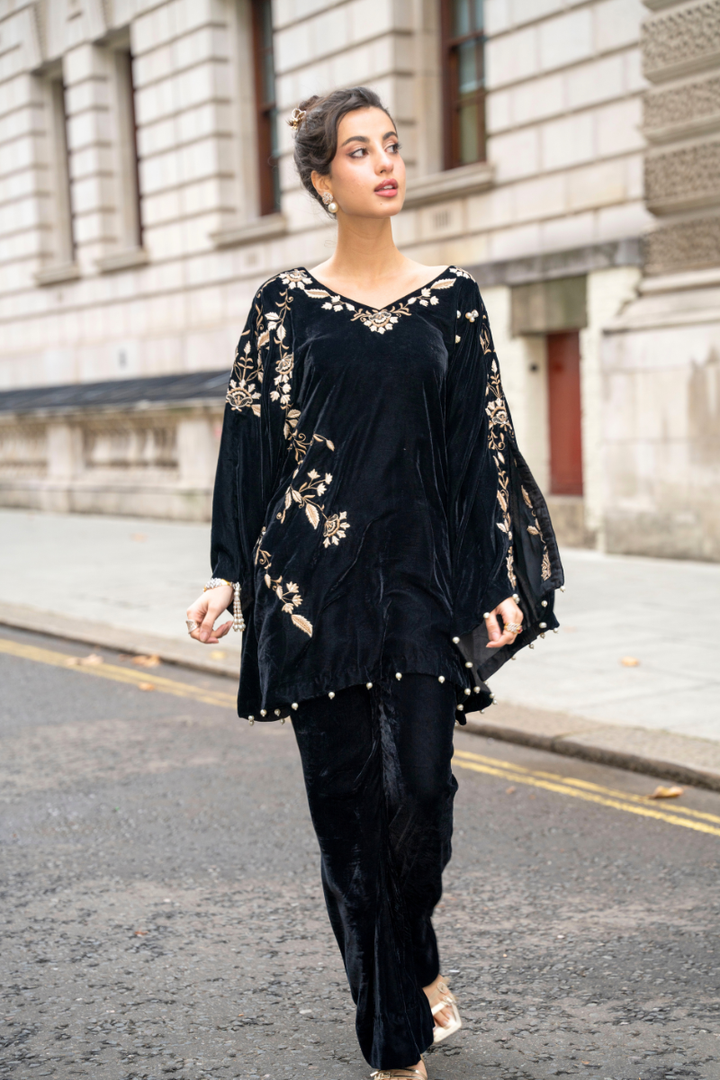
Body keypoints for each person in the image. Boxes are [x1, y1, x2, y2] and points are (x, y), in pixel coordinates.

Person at [186, 86, 564, 1080]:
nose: (386, 162)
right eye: (359, 151)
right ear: (322, 180)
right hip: (310, 594)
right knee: (352, 825)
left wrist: (497, 576)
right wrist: (227, 575)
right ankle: (394, 1043)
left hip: (421, 588)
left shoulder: (454, 301)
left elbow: (478, 451)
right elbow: (250, 445)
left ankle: (415, 949)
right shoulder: (282, 307)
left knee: (421, 803)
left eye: (391, 144)